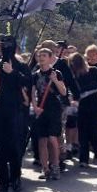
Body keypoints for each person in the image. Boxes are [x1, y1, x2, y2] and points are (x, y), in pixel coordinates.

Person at [0, 37, 30, 192]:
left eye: (8, 45)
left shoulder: (21, 65)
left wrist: (12, 72)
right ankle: (3, 181)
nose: (5, 48)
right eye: (3, 45)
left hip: (15, 110)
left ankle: (15, 177)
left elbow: (27, 82)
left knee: (14, 146)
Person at [31, 47, 68, 181]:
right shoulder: (35, 75)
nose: (41, 58)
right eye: (39, 56)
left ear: (50, 58)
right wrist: (35, 107)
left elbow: (63, 92)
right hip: (41, 108)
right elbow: (33, 93)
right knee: (42, 139)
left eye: (44, 56)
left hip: (54, 107)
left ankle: (56, 166)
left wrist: (56, 81)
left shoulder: (56, 73)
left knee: (53, 138)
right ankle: (44, 168)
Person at [69, 52, 97, 169]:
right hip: (81, 107)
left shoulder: (94, 70)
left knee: (94, 133)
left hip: (95, 106)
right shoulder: (73, 75)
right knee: (82, 135)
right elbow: (73, 90)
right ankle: (83, 159)